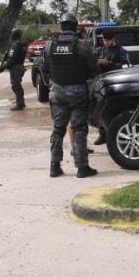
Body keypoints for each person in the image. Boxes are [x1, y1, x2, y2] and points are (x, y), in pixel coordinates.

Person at [42, 12, 99, 178]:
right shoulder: (82, 45)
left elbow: (44, 67)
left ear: (61, 26)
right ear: (75, 26)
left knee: (58, 129)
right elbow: (93, 68)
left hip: (57, 91)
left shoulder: (50, 45)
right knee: (79, 128)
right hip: (77, 91)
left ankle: (54, 166)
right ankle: (82, 167)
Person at [92, 32, 130, 145]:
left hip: (116, 85)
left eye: (108, 40)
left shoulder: (121, 51)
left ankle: (115, 135)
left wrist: (109, 63)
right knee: (101, 111)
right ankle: (102, 134)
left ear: (113, 39)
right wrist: (98, 62)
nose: (106, 42)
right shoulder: (99, 51)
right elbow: (90, 61)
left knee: (114, 111)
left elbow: (126, 66)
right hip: (101, 85)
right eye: (104, 40)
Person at [0, 28, 27, 111]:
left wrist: (4, 66)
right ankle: (20, 102)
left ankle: (20, 104)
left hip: (15, 68)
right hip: (20, 66)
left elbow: (12, 59)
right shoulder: (22, 44)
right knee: (17, 85)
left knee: (16, 86)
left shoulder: (15, 45)